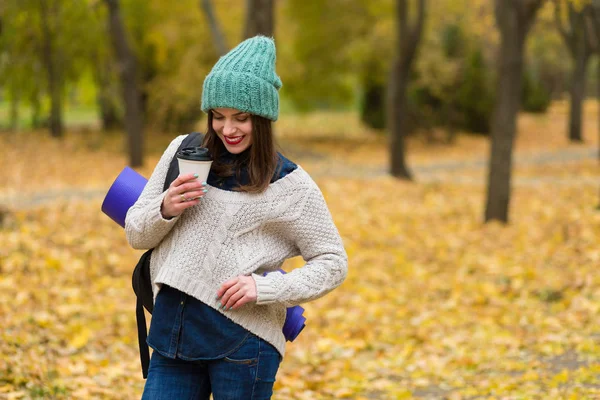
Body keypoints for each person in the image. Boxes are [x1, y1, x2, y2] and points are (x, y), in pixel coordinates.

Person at [125, 35, 348, 400]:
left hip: (243, 346)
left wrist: (265, 288)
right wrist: (166, 207)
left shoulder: (290, 185)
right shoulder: (184, 152)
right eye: (218, 116)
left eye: (241, 118)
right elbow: (136, 233)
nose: (227, 129)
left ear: (262, 119)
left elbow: (333, 262)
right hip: (172, 334)